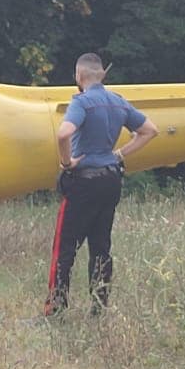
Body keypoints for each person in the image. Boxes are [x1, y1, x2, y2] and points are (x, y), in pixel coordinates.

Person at [48, 52, 158, 314]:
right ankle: (98, 307)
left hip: (83, 182)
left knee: (65, 247)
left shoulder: (83, 103)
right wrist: (119, 154)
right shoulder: (118, 103)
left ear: (79, 75)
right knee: (101, 247)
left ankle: (56, 309)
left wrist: (66, 163)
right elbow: (150, 130)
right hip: (111, 180)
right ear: (102, 75)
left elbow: (63, 133)